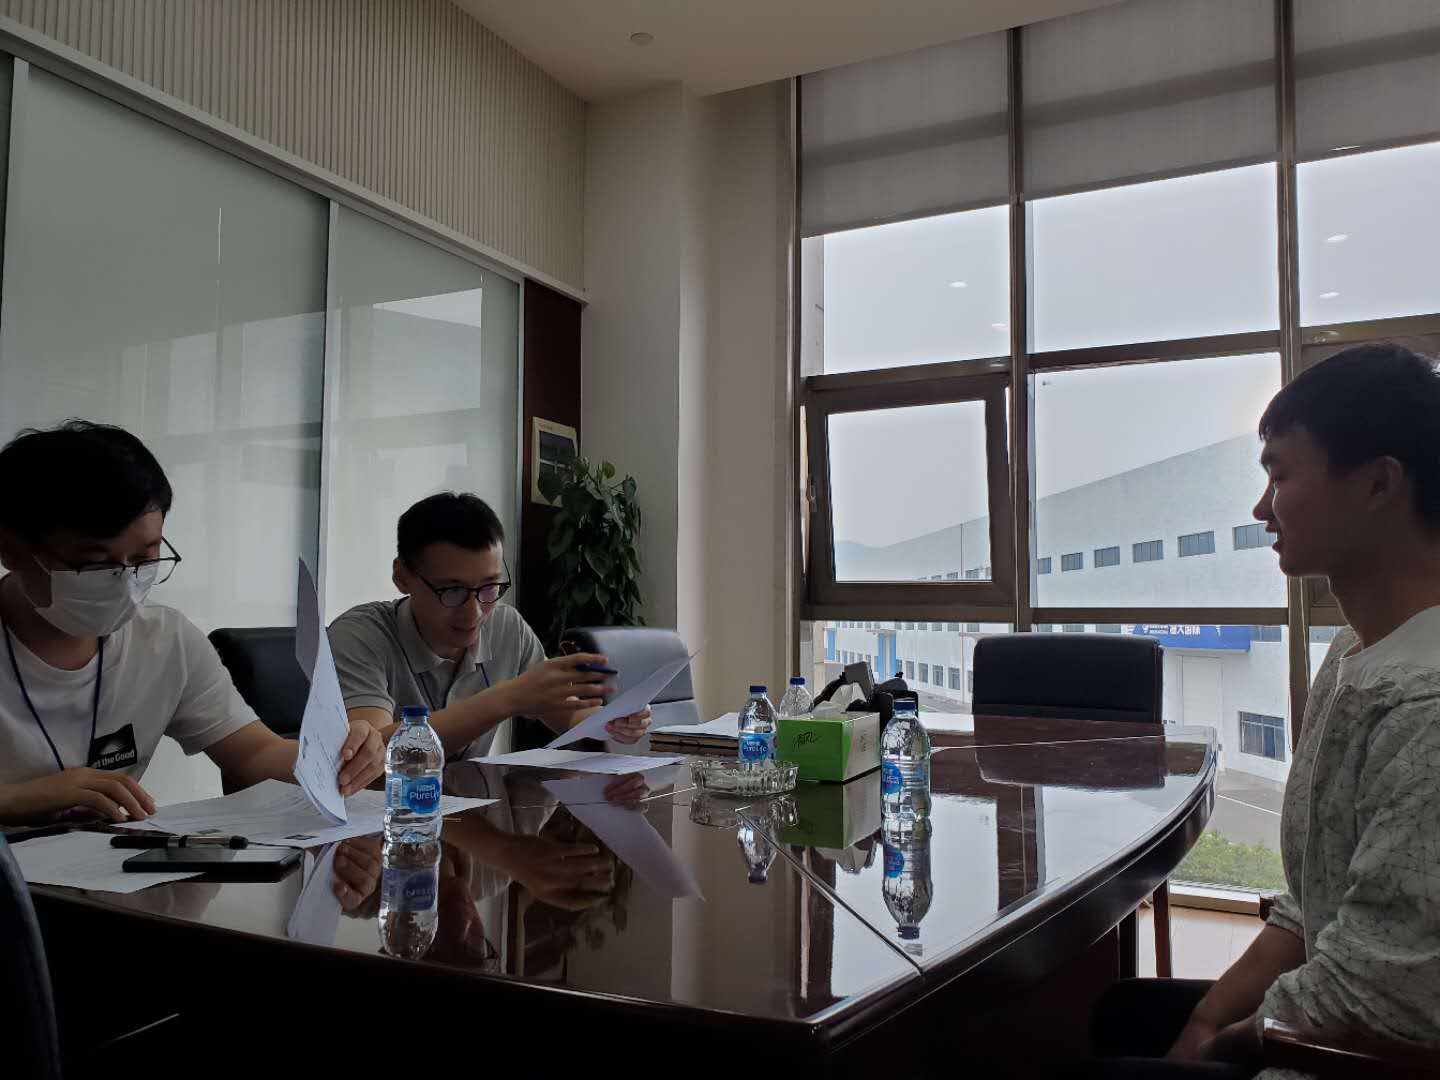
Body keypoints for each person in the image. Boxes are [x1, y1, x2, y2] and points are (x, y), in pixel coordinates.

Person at [1083, 343, 1440, 1079]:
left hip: (1353, 1052)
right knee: (1118, 1013)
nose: (1260, 509)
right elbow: (1314, 907)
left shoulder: (1425, 705)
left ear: (1379, 483)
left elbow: (1382, 996)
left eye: (1279, 475)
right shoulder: (1352, 652)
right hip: (1327, 1003)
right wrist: (1205, 1019)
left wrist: (1221, 1044)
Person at [0, 421, 385, 827]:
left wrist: (336, 756)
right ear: (10, 549)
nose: (124, 581)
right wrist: (16, 798)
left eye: (145, 558)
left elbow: (254, 753)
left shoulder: (166, 640)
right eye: (94, 563)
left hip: (98, 862)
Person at [329, 492, 651, 760]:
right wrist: (507, 698)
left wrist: (610, 721)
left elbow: (566, 715)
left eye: (489, 587)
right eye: (452, 591)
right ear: (402, 577)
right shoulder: (359, 636)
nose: (474, 613)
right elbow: (371, 754)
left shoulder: (507, 627)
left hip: (469, 808)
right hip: (388, 811)